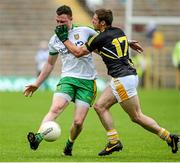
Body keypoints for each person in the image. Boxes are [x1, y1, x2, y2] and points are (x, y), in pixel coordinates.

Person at [55, 8, 179, 156]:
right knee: (100, 106)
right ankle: (113, 141)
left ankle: (168, 136)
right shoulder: (119, 31)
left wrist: (64, 39)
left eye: (94, 19)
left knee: (137, 116)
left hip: (122, 79)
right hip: (127, 76)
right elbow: (112, 43)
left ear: (102, 23)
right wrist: (129, 42)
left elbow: (77, 52)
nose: (92, 21)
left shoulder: (98, 38)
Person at [24, 5, 143, 156]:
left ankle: (69, 145)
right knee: (55, 108)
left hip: (87, 82)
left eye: (63, 21)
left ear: (71, 19)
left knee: (78, 122)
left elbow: (108, 38)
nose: (59, 25)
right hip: (67, 79)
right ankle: (38, 136)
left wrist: (128, 41)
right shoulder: (54, 40)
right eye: (57, 21)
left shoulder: (85, 31)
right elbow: (49, 63)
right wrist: (37, 83)